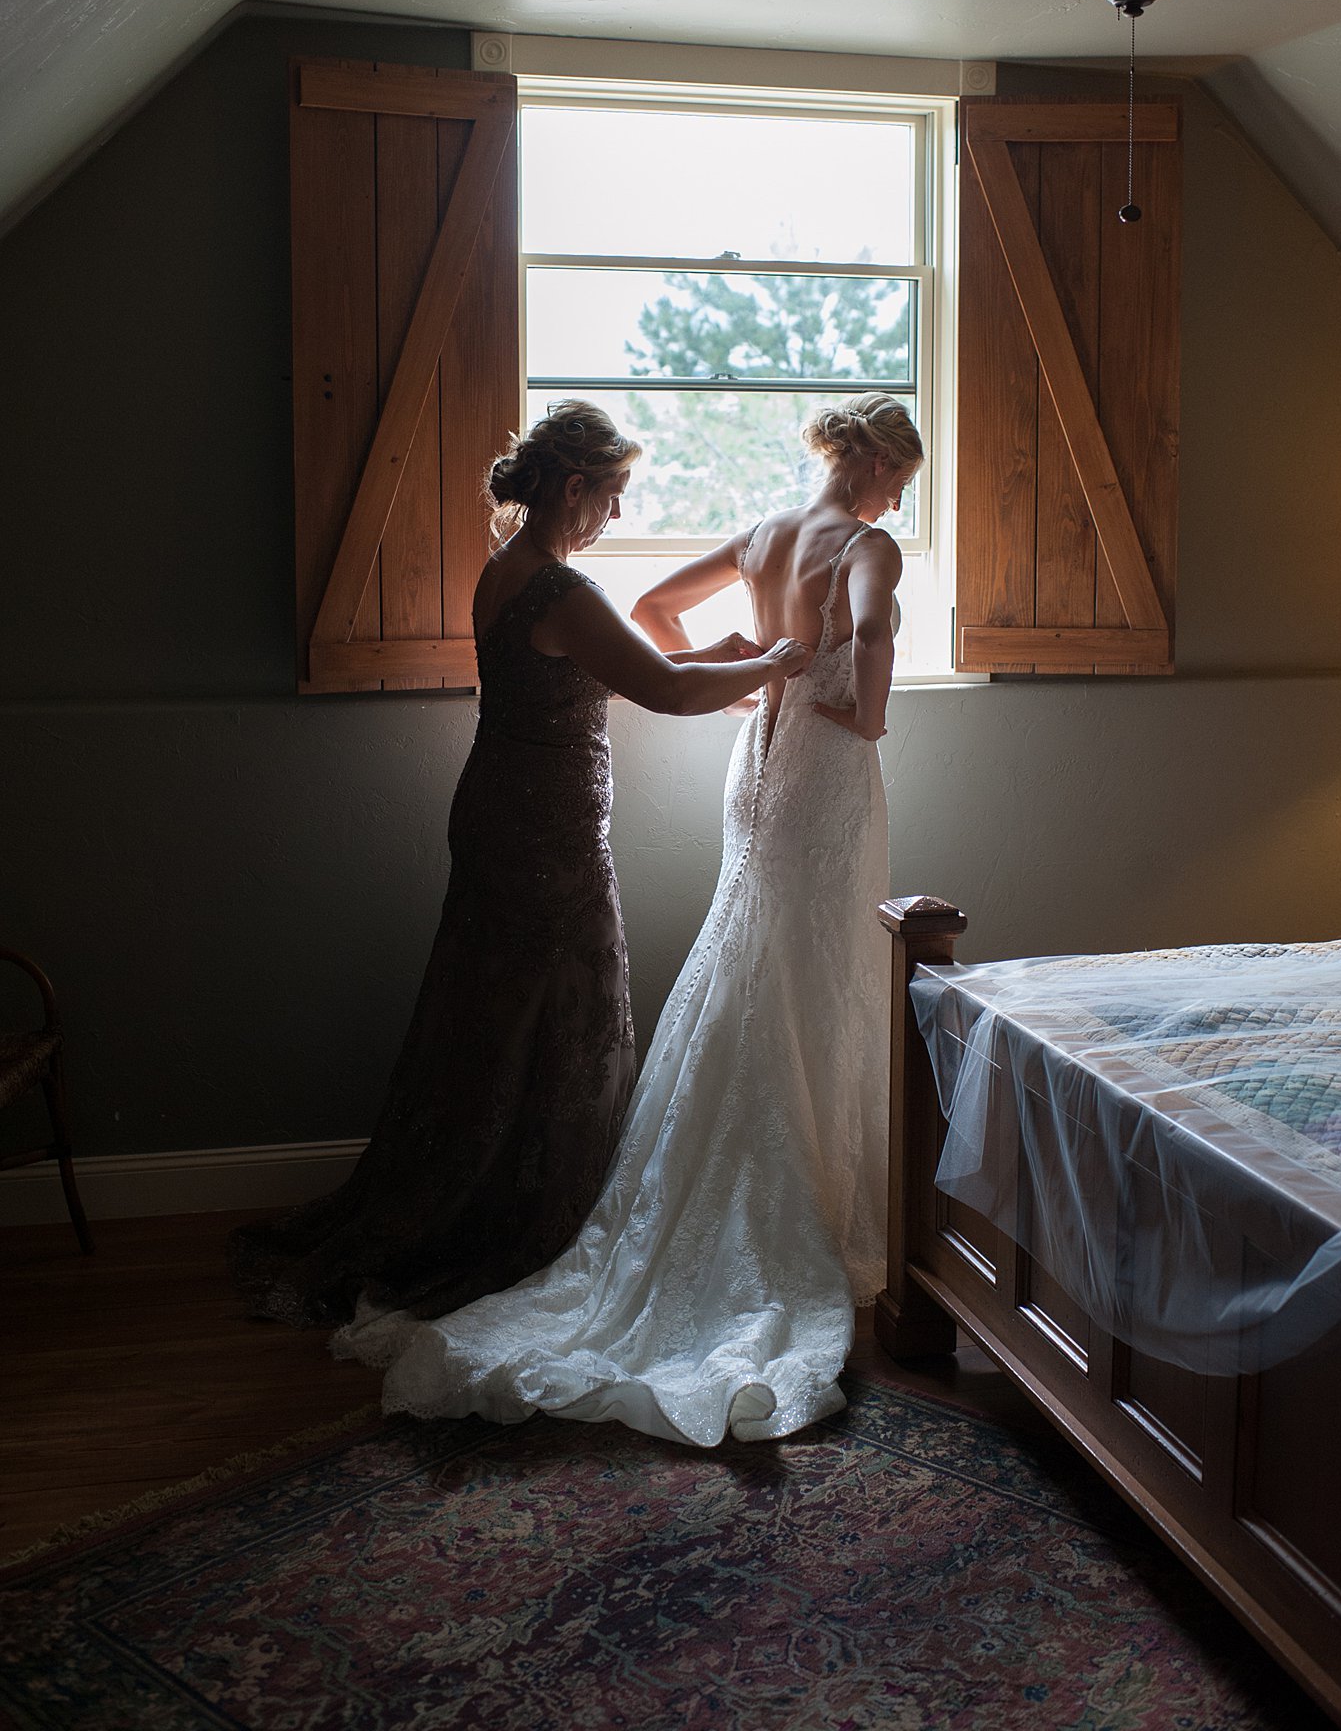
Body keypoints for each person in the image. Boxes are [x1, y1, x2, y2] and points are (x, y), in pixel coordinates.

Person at [333, 393, 923, 1444]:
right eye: (611, 495)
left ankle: (526, 1201)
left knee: (728, 955)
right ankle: (609, 1210)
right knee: (780, 966)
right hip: (773, 770)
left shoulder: (702, 543)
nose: (616, 511)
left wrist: (743, 668)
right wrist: (811, 685)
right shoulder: (855, 544)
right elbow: (792, 651)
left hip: (681, 776)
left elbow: (658, 622)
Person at [231, 401, 809, 1328]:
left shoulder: (511, 572)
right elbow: (657, 690)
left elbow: (602, 668)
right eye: (613, 497)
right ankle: (533, 1218)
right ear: (574, 488)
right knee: (564, 1018)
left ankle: (479, 1189)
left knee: (492, 1014)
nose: (617, 517)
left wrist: (721, 655)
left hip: (497, 812)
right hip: (546, 833)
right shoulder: (560, 592)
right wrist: (774, 662)